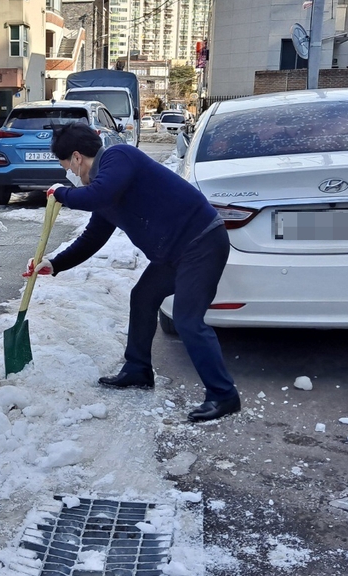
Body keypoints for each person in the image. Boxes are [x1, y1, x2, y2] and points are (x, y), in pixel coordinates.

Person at [28, 122, 241, 423]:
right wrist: (55, 264)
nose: (71, 175)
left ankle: (223, 395)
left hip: (201, 242)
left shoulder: (119, 158)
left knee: (187, 320)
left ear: (77, 157)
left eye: (68, 167)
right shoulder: (105, 187)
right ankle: (138, 369)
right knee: (143, 297)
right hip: (174, 253)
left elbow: (97, 197)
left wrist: (60, 193)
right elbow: (92, 238)